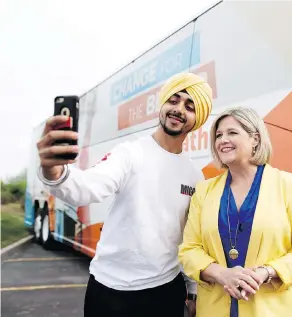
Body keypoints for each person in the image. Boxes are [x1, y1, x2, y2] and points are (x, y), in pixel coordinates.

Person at [36, 72, 213, 317]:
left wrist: (193, 291)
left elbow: (190, 238)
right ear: (162, 105)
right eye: (173, 100)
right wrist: (54, 171)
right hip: (110, 290)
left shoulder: (195, 175)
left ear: (198, 118)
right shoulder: (130, 153)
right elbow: (88, 187)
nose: (179, 109)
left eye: (189, 106)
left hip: (165, 291)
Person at [178, 107, 292, 317]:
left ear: (255, 139)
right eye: (218, 135)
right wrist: (222, 275)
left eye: (232, 133)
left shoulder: (289, 185)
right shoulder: (204, 190)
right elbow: (189, 250)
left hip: (271, 310)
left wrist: (266, 272)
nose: (222, 140)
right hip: (214, 310)